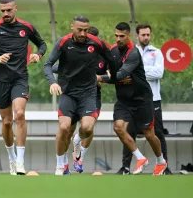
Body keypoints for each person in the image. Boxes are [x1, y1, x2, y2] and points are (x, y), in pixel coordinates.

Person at [0, 0, 47, 175]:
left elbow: (42, 44)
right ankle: (11, 158)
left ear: (16, 8)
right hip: (0, 80)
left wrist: (38, 55)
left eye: (9, 10)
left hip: (20, 77)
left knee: (20, 114)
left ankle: (21, 161)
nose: (6, 14)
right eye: (2, 11)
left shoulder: (26, 27)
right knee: (7, 122)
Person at [43, 16, 117, 176]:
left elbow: (112, 58)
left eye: (86, 30)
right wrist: (52, 82)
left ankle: (77, 140)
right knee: (64, 128)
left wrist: (112, 71)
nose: (83, 33)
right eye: (80, 30)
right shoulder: (63, 42)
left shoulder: (96, 43)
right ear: (72, 27)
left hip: (88, 93)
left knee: (88, 128)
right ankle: (60, 166)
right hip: (68, 93)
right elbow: (48, 65)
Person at [97, 22, 167, 175]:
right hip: (124, 100)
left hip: (142, 99)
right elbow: (112, 71)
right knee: (118, 127)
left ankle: (161, 161)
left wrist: (101, 78)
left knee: (149, 133)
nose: (118, 39)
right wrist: (109, 75)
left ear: (128, 36)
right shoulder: (113, 50)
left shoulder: (133, 53)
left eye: (122, 36)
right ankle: (140, 158)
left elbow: (120, 75)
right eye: (116, 36)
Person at [117, 24, 172, 175]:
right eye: (143, 35)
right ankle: (126, 167)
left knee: (157, 133)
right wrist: (137, 70)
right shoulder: (129, 52)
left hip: (153, 99)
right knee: (129, 131)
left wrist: (135, 70)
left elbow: (159, 73)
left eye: (148, 35)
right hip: (132, 99)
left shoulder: (157, 52)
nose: (146, 37)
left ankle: (163, 165)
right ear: (137, 36)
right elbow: (121, 71)